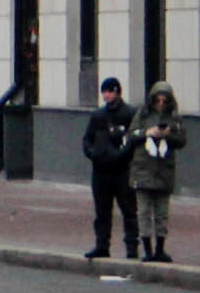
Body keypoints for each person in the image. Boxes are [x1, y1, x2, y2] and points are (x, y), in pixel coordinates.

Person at [126, 81, 189, 264]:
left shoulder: (174, 117)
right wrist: (148, 132)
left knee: (162, 213)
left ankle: (160, 248)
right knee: (144, 211)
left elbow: (182, 140)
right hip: (143, 169)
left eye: (164, 101)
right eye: (158, 100)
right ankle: (147, 249)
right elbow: (131, 136)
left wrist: (167, 135)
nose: (161, 104)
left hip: (164, 170)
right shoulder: (142, 114)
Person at [81, 76, 140, 261]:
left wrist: (122, 154)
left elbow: (133, 139)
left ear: (117, 92)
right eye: (104, 92)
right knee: (102, 212)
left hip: (122, 170)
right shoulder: (97, 116)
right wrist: (93, 153)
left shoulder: (129, 113)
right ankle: (102, 246)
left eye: (109, 91)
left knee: (129, 210)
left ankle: (131, 248)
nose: (106, 95)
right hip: (100, 171)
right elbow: (87, 139)